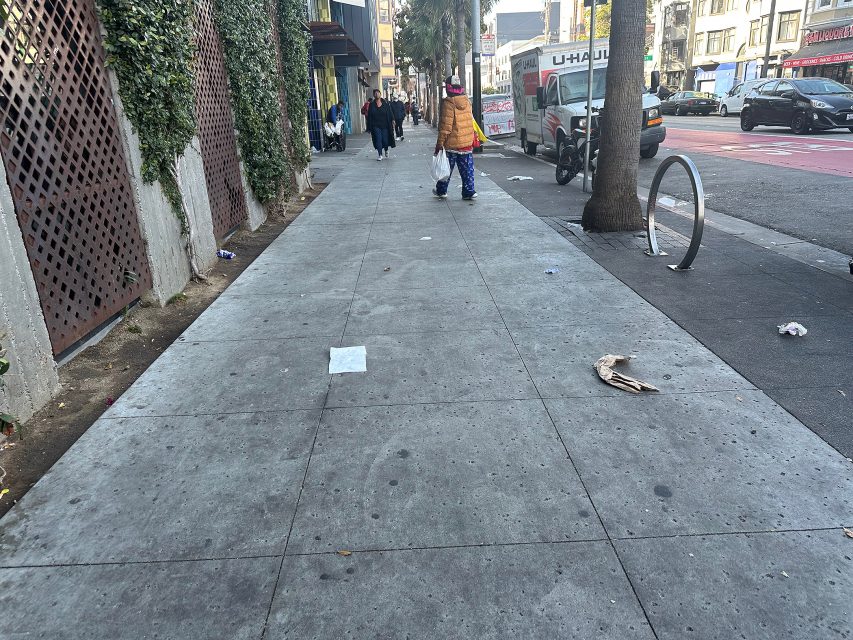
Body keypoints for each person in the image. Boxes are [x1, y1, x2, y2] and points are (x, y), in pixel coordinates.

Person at [433, 76, 477, 200]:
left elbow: (445, 127)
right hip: (466, 143)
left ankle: (441, 191)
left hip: (451, 144)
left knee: (445, 169)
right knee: (467, 169)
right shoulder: (467, 101)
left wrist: (439, 143)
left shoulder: (449, 103)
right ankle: (469, 192)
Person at [366, 89, 395, 161]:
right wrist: (369, 127)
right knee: (378, 139)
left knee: (385, 140)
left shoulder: (385, 104)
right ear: (373, 95)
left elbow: (390, 113)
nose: (376, 94)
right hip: (375, 126)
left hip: (385, 125)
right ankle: (380, 154)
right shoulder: (372, 105)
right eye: (375, 93)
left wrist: (393, 120)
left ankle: (386, 149)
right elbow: (369, 116)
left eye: (378, 93)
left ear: (380, 94)